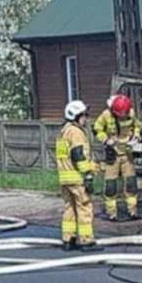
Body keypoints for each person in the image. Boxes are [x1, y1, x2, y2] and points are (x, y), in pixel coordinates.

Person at [55, 100, 98, 250]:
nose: (86, 118)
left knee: (70, 208)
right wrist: (88, 174)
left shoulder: (63, 131)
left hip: (65, 178)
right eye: (83, 115)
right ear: (76, 116)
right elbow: (78, 155)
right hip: (77, 177)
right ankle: (86, 240)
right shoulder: (76, 132)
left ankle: (68, 239)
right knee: (85, 207)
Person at [93, 93, 142, 221]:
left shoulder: (131, 113)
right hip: (113, 153)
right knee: (110, 185)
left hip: (127, 152)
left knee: (131, 183)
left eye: (125, 114)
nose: (123, 116)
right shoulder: (106, 115)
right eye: (121, 115)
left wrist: (136, 135)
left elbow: (137, 125)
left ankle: (133, 211)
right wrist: (105, 140)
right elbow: (97, 129)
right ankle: (112, 213)